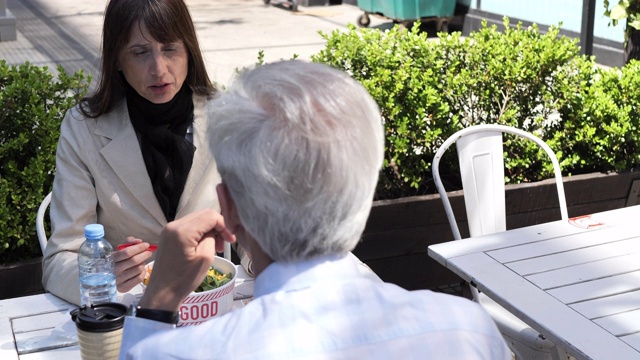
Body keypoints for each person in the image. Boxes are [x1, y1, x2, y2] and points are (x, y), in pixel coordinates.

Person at [119, 60, 511, 359]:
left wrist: (158, 304)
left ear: (230, 210)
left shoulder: (180, 352)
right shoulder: (470, 330)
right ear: (362, 195)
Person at [42, 0, 223, 305]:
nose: (159, 69)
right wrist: (102, 275)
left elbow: (255, 235)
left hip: (213, 304)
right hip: (127, 313)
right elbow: (60, 258)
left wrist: (259, 262)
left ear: (189, 50)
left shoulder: (226, 116)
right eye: (140, 53)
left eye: (170, 49)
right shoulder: (84, 129)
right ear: (116, 59)